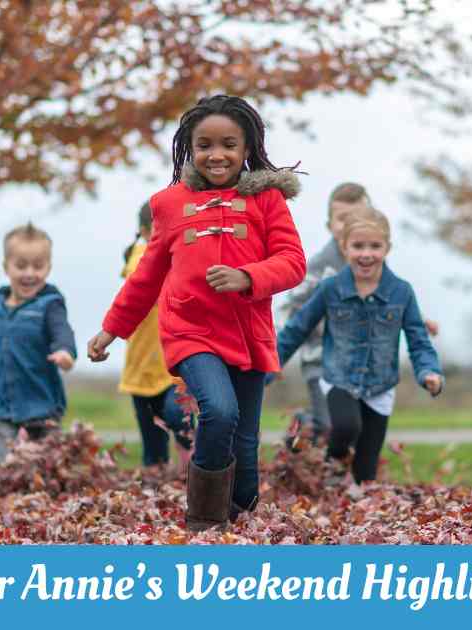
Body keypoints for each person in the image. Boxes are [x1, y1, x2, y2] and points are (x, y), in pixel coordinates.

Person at [87, 94, 307, 531]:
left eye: (229, 144)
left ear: (247, 148)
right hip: (192, 331)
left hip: (248, 334)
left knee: (245, 442)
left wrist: (249, 276)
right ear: (190, 148)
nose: (217, 154)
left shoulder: (267, 201)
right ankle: (203, 521)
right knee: (219, 411)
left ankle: (240, 521)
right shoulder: (169, 205)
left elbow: (293, 262)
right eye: (204, 145)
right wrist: (112, 330)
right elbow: (147, 277)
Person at [275, 208, 443, 484]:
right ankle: (331, 470)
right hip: (339, 378)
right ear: (344, 247)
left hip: (380, 387)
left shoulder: (402, 291)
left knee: (365, 472)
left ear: (387, 248)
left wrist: (428, 373)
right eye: (358, 246)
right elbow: (297, 329)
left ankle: (351, 502)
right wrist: (270, 365)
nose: (366, 254)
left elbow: (418, 341)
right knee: (345, 426)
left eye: (375, 246)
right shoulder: (330, 288)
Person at [278, 182, 369, 447]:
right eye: (343, 218)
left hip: (359, 361)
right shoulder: (321, 267)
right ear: (330, 225)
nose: (350, 224)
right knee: (332, 424)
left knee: (349, 424)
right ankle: (306, 428)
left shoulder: (370, 260)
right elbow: (289, 309)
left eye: (358, 217)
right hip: (320, 357)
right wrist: (276, 350)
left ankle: (306, 426)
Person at [0, 222, 77, 462]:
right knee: (10, 466)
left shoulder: (50, 305)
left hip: (41, 406)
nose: (29, 273)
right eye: (21, 266)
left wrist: (65, 352)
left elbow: (61, 331)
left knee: (45, 466)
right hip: (1, 405)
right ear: (6, 267)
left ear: (48, 268)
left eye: (38, 266)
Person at [118, 202, 195, 469]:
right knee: (153, 445)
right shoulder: (139, 258)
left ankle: (190, 461)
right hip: (143, 366)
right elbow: (143, 280)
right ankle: (157, 482)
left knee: (178, 416)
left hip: (175, 363)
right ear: (144, 232)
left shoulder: (184, 255)